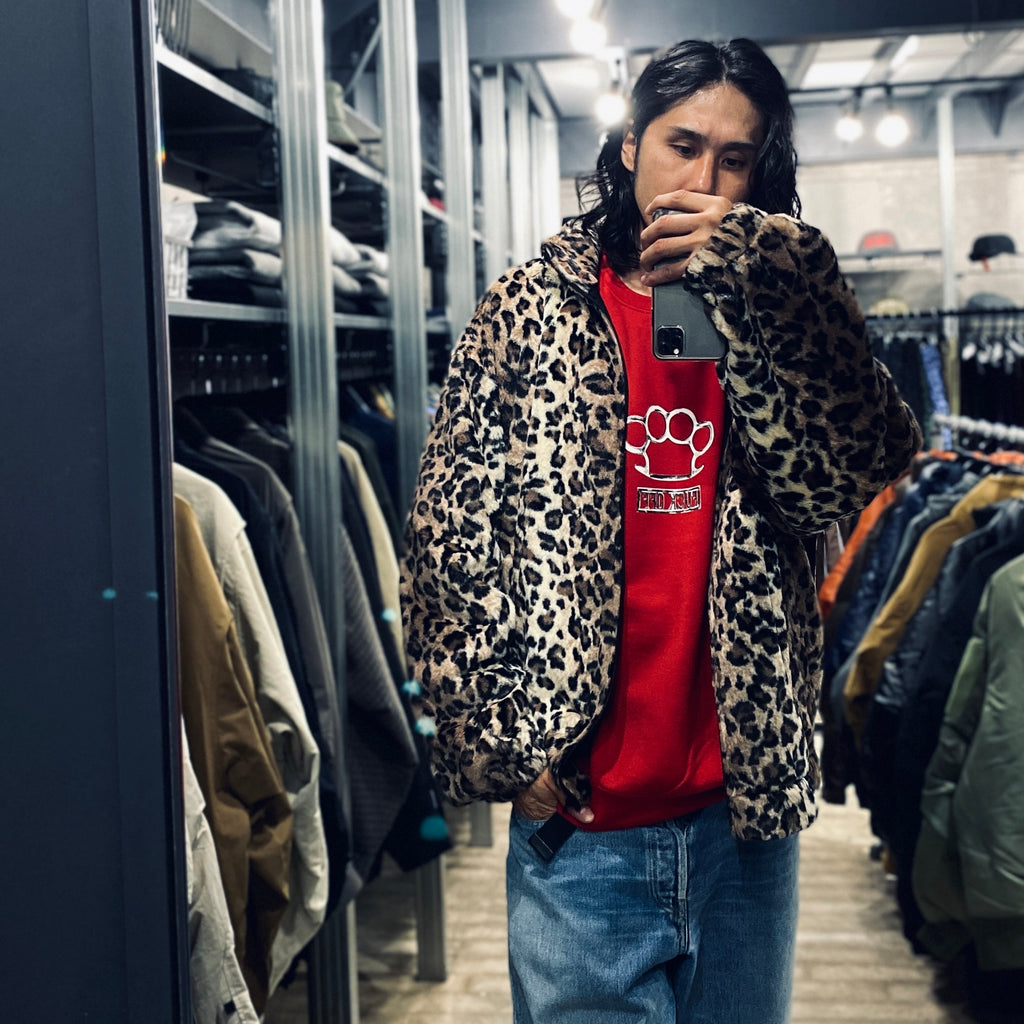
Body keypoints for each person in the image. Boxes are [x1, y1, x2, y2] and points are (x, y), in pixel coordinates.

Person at [400, 36, 922, 1024]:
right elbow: (447, 542)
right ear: (631, 144)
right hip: (582, 821)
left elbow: (857, 468)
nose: (704, 179)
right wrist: (499, 742)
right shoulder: (534, 308)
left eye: (736, 158)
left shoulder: (773, 306)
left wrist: (782, 283)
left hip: (742, 822)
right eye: (683, 145)